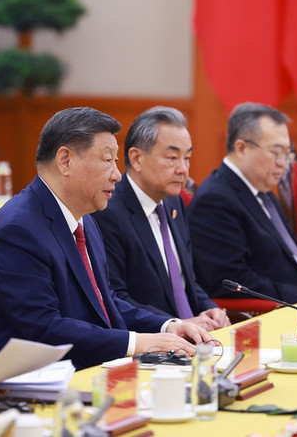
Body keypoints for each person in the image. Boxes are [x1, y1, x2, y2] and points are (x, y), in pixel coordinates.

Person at [0, 107, 213, 369]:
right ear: (65, 161)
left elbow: (105, 302)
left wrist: (167, 326)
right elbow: (44, 329)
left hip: (78, 368)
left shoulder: (86, 221)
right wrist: (137, 343)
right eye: (108, 161)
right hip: (17, 384)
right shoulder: (17, 230)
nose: (117, 174)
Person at [92, 107, 229, 331]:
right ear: (136, 159)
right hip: (153, 344)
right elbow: (114, 299)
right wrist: (175, 324)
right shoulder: (108, 212)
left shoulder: (173, 202)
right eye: (173, 158)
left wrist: (209, 309)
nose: (183, 169)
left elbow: (186, 281)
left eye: (187, 158)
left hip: (193, 337)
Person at [187, 103, 297, 304]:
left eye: (287, 154)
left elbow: (293, 257)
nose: (282, 163)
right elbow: (232, 282)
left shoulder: (262, 190)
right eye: (276, 152)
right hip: (275, 313)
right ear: (241, 148)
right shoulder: (215, 200)